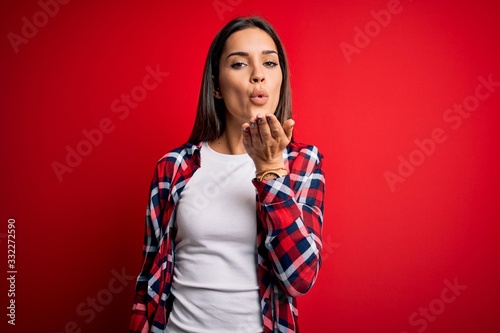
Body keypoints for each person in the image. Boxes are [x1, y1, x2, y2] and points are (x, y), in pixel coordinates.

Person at [129, 16, 325, 333]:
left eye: (270, 63)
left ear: (281, 79)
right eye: (239, 64)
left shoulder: (303, 162)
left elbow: (300, 278)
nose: (258, 75)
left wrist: (270, 171)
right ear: (217, 86)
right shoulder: (173, 167)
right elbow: (148, 278)